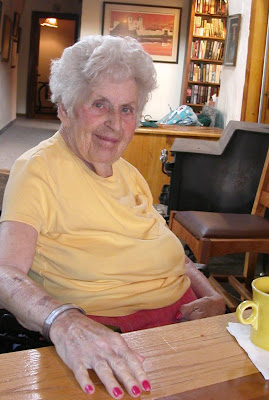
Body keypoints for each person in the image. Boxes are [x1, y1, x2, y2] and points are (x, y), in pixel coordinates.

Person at [0, 35, 225, 399]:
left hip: (186, 323)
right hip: (111, 340)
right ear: (65, 108)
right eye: (99, 104)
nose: (115, 124)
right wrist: (63, 320)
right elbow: (5, 273)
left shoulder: (130, 174)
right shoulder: (37, 171)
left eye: (126, 109)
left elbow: (172, 254)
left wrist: (213, 297)